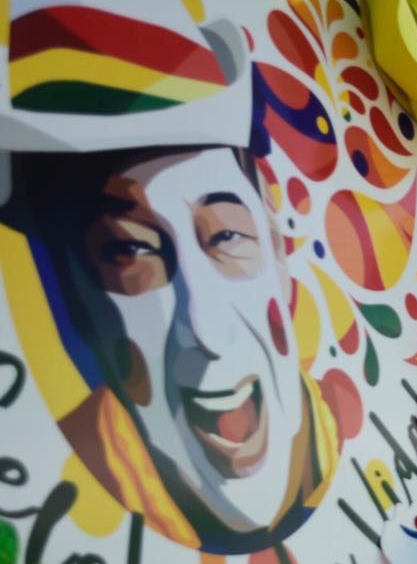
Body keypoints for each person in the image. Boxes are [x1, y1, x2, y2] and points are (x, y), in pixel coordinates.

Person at [12, 147, 343, 549]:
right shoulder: (59, 467)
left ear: (278, 253)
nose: (207, 334)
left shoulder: (339, 419)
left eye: (227, 236)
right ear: (83, 300)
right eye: (133, 252)